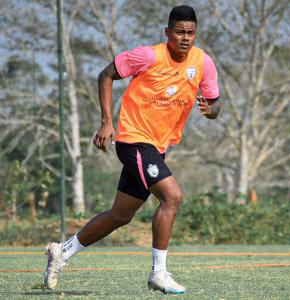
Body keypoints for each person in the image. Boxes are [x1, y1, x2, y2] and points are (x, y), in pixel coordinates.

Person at [44, 5, 220, 294]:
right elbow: (106, 74)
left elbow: (215, 104)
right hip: (134, 140)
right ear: (168, 33)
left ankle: (61, 252)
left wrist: (209, 110)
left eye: (190, 33)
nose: (185, 38)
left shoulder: (203, 62)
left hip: (157, 147)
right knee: (173, 196)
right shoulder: (148, 55)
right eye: (179, 32)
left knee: (120, 215)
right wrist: (106, 122)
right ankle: (159, 273)